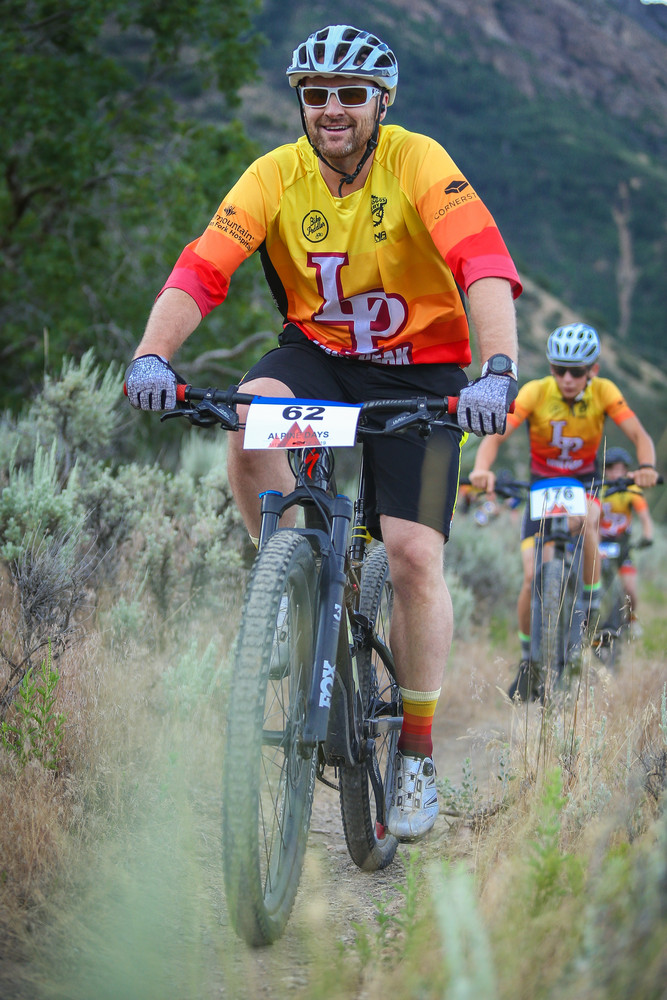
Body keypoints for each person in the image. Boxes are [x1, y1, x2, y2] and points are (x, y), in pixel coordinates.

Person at [125, 24, 522, 839]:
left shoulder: (418, 161)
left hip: (422, 374)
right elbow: (203, 267)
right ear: (300, 103)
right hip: (320, 358)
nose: (331, 108)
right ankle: (290, 580)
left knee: (412, 555)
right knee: (249, 417)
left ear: (382, 102)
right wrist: (151, 356)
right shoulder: (275, 173)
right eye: (315, 94)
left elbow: (482, 263)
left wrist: (496, 371)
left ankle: (415, 753)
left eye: (349, 94)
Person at [469, 323, 658, 697]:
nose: (567, 379)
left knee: (589, 518)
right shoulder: (537, 391)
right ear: (551, 368)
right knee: (529, 578)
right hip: (541, 486)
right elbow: (498, 435)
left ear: (593, 370)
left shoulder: (604, 392)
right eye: (559, 370)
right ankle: (528, 659)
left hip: (583, 483)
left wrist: (647, 466)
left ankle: (590, 598)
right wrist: (481, 468)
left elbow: (639, 434)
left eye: (576, 371)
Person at [599, 446, 654, 630]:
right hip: (600, 543)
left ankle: (631, 619)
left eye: (621, 469)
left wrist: (647, 536)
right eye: (613, 469)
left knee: (630, 590)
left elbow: (645, 517)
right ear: (606, 470)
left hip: (623, 544)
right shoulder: (599, 489)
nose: (617, 474)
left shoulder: (632, 490)